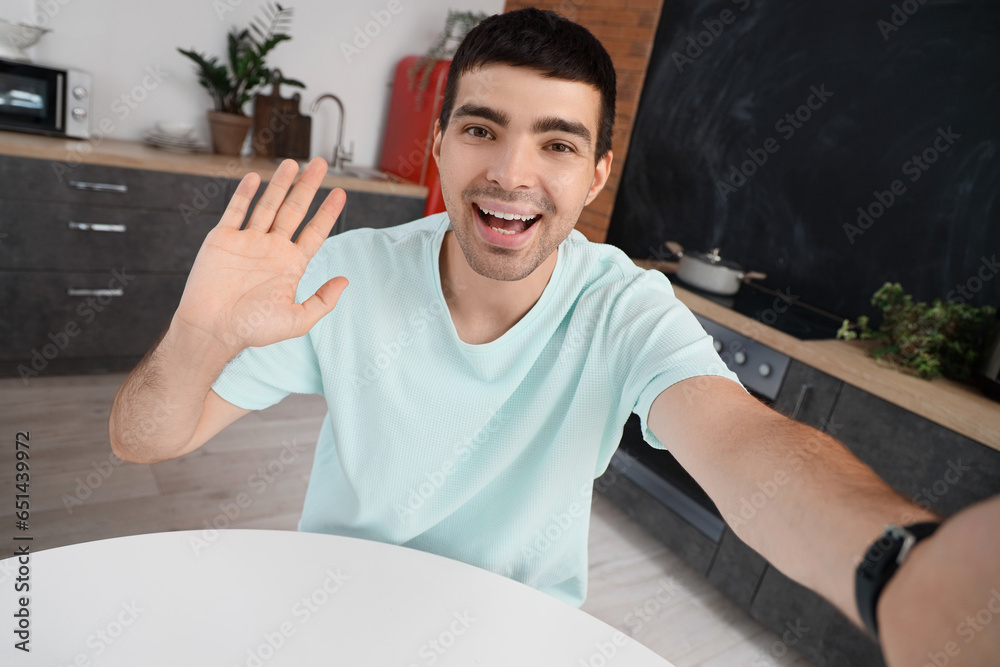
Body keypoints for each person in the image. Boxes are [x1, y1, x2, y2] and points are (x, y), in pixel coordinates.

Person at [109, 8, 999, 666]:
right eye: (482, 128)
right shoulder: (350, 274)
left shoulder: (622, 305)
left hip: (515, 641)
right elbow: (143, 438)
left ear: (598, 174)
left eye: (558, 144)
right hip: (338, 618)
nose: (510, 174)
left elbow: (747, 445)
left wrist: (899, 565)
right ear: (440, 147)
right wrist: (198, 329)